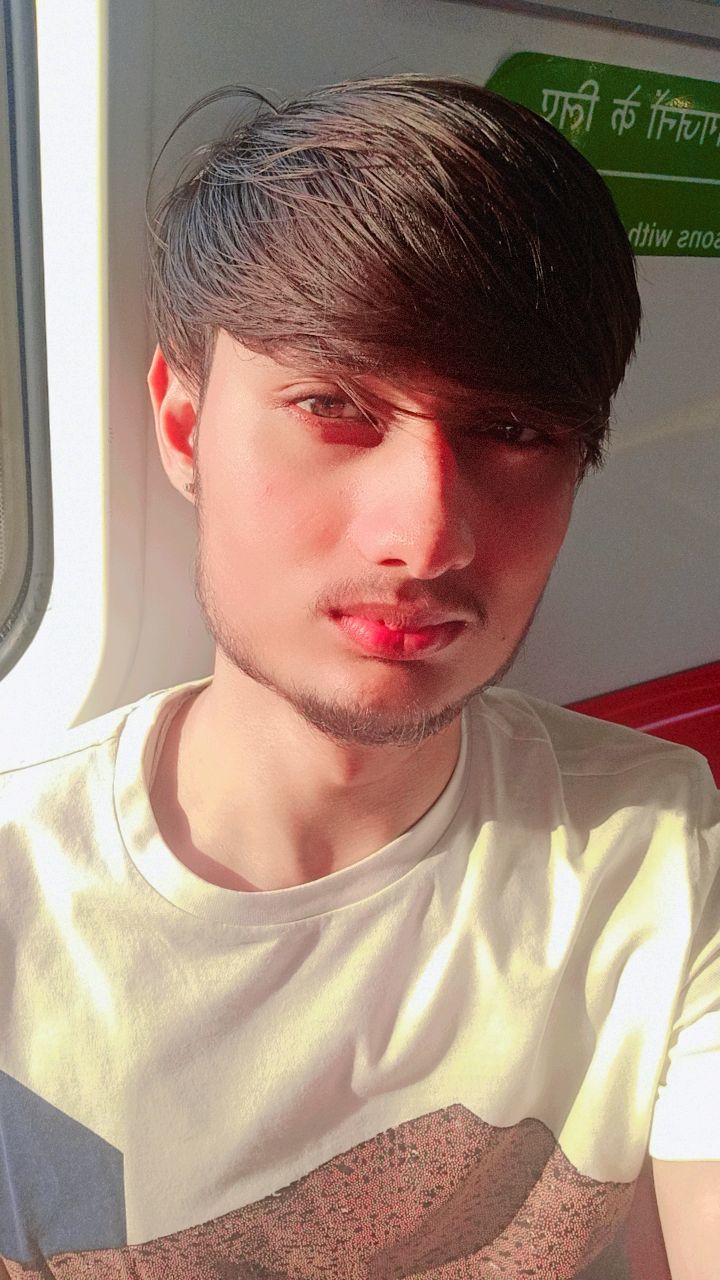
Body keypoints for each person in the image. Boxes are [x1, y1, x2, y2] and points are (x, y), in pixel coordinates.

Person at [0, 73, 717, 1279]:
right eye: (332, 404)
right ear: (183, 427)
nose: (424, 537)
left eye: (514, 431)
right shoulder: (19, 896)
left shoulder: (655, 847)